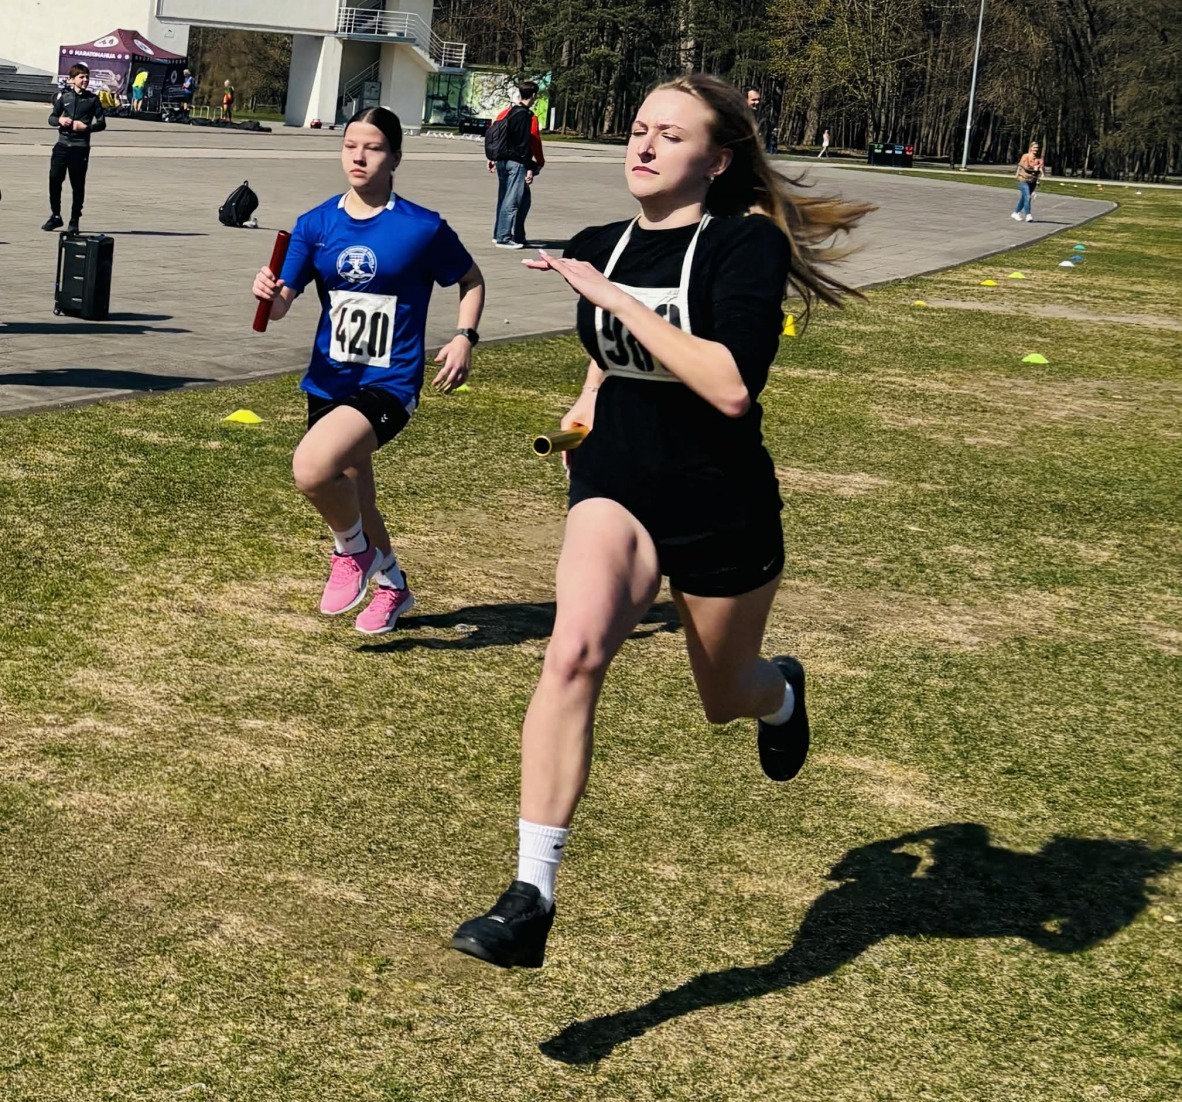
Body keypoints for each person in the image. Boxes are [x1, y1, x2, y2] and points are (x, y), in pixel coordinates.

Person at [451, 74, 872, 970]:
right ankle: (529, 895)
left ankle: (780, 695)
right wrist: (583, 405)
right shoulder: (600, 243)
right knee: (572, 652)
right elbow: (611, 359)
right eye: (639, 128)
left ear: (716, 161)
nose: (643, 145)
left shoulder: (743, 245)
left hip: (720, 503)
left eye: (670, 136)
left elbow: (730, 385)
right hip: (616, 485)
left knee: (725, 697)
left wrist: (617, 300)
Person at [250, 107, 486, 633]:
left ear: (396, 157)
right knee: (358, 497)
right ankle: (393, 586)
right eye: (350, 145)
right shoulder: (316, 225)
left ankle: (352, 552)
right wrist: (268, 292)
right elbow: (283, 302)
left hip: (388, 383)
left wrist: (464, 337)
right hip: (329, 381)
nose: (358, 156)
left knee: (312, 468)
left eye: (373, 147)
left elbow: (471, 280)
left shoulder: (422, 228)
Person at [42, 64, 106, 236]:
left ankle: (74, 219)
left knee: (77, 185)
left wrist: (86, 127)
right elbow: (52, 118)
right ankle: (56, 215)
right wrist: (60, 121)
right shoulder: (64, 97)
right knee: (54, 180)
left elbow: (102, 123)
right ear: (72, 80)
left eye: (87, 77)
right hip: (62, 146)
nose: (85, 80)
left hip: (80, 147)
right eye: (81, 77)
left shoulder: (92, 99)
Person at [487, 81, 545, 249]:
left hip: (502, 160)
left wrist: (492, 156)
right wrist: (534, 165)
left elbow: (497, 134)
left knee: (513, 198)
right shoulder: (528, 116)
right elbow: (530, 142)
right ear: (534, 95)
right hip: (517, 162)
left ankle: (510, 234)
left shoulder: (507, 112)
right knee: (512, 200)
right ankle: (504, 237)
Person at [1013, 141, 1043, 222]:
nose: (1036, 149)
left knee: (1024, 198)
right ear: (1031, 148)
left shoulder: (1039, 158)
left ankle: (1016, 213)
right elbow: (1024, 166)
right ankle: (1028, 215)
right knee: (1027, 196)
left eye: (1037, 148)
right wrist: (1034, 168)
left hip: (1032, 181)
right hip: (1023, 180)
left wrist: (1040, 172)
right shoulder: (1025, 156)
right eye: (1034, 147)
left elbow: (1041, 168)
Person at [745, 86, 776, 155]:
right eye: (753, 100)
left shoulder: (762, 117)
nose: (757, 102)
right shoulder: (736, 116)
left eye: (758, 99)